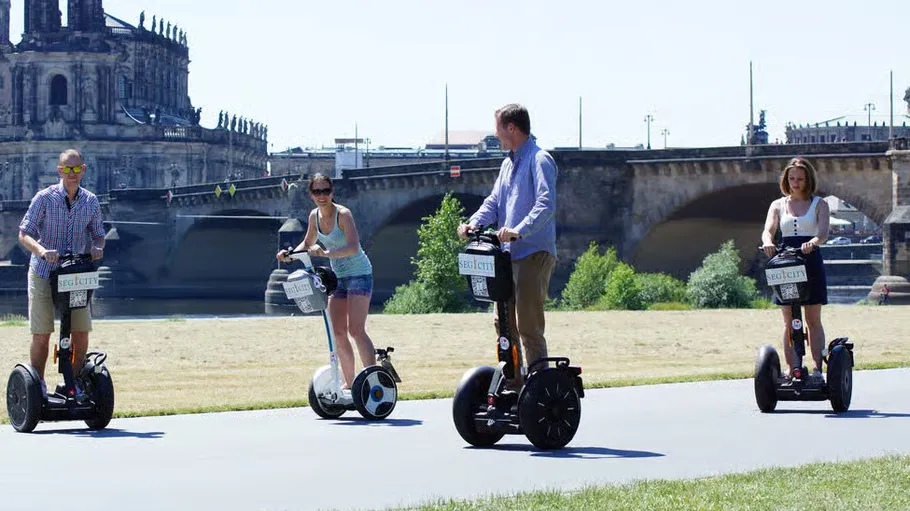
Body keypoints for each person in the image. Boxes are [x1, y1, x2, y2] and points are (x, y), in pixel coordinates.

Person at [457, 103, 558, 389]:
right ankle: (515, 382)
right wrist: (473, 223)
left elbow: (545, 204)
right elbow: (494, 202)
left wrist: (518, 230)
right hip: (506, 256)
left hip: (532, 253)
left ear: (511, 128)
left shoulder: (540, 160)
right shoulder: (508, 163)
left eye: (498, 129)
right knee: (502, 323)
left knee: (528, 325)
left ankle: (540, 388)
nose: (496, 135)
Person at [17, 149, 105, 397]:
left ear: (83, 170)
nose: (72, 174)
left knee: (81, 334)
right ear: (60, 171)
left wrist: (98, 247)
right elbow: (24, 233)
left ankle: (73, 383)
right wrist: (43, 251)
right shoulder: (44, 198)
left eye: (77, 169)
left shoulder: (91, 201)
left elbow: (98, 233)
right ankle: (38, 387)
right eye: (67, 169)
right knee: (42, 333)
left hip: (75, 275)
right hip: (44, 272)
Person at [277, 173, 376, 389]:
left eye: (325, 191)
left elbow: (353, 247)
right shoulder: (314, 216)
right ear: (311, 194)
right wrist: (289, 254)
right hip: (338, 278)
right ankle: (351, 386)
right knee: (338, 332)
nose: (321, 196)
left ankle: (372, 380)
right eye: (316, 191)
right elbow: (307, 242)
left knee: (356, 330)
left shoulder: (344, 214)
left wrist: (325, 253)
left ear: (332, 192)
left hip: (359, 274)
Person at [760, 157, 829, 384]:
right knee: (789, 320)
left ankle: (818, 369)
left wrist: (814, 242)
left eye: (800, 179)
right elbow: (768, 230)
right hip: (785, 262)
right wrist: (768, 241)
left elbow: (823, 232)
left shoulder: (820, 204)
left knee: (812, 319)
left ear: (808, 179)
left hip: (809, 259)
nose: (795, 183)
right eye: (791, 179)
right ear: (786, 180)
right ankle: (791, 370)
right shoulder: (777, 205)